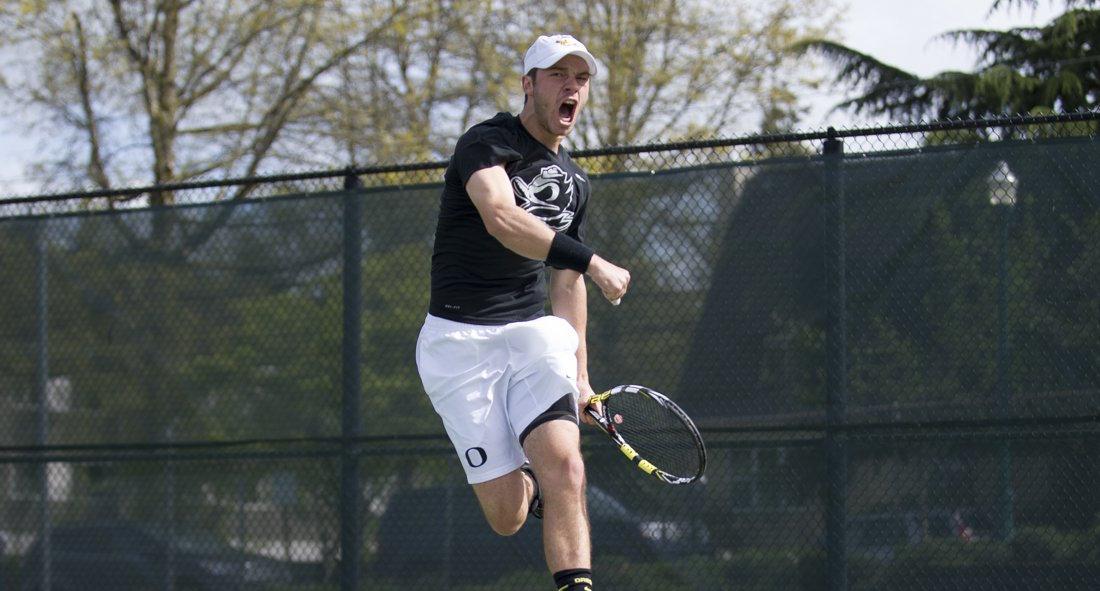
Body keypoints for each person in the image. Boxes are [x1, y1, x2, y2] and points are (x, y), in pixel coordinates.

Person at [415, 33, 630, 591]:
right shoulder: (486, 143)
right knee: (507, 515)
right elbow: (502, 219)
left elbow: (565, 282)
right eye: (558, 75)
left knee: (568, 467)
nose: (572, 88)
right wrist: (597, 262)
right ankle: (525, 485)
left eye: (580, 79)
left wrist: (582, 379)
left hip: (534, 335)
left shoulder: (576, 182)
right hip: (458, 344)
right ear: (529, 84)